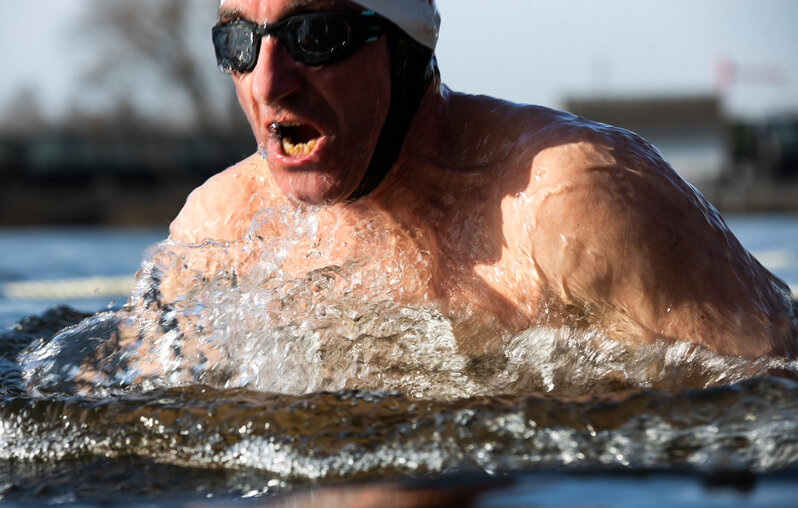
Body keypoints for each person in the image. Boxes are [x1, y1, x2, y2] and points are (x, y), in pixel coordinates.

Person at [169, 0, 796, 359]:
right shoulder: (219, 232)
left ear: (403, 47)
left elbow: (768, 407)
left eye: (315, 36)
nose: (267, 82)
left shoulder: (570, 205)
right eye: (239, 41)